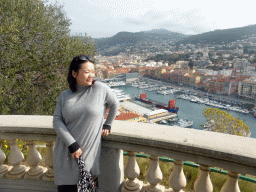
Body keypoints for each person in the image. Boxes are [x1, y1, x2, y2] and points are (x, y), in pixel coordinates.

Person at [53, 55, 119, 192]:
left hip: (87, 158)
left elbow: (115, 105)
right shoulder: (64, 96)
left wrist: (108, 124)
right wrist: (72, 144)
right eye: (87, 72)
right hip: (65, 155)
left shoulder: (100, 89)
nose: (91, 75)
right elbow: (57, 121)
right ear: (74, 73)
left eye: (93, 71)